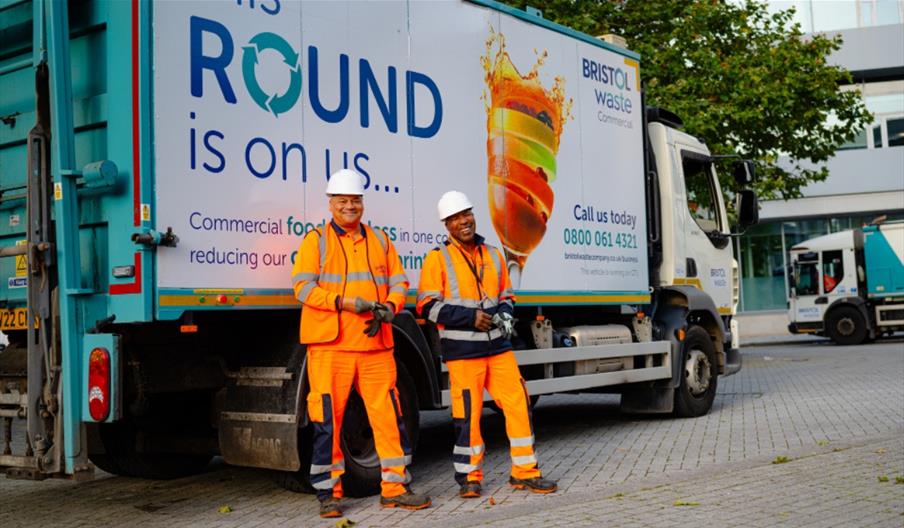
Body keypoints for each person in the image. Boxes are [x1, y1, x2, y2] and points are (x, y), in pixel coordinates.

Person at [292, 169, 431, 518]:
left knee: (389, 417)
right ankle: (329, 494)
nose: (350, 206)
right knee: (328, 422)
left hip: (375, 346)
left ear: (362, 203)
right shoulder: (316, 241)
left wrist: (390, 307)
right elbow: (302, 287)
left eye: (355, 200)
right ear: (331, 204)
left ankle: (395, 487)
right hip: (331, 347)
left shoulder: (380, 240)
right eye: (343, 201)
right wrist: (343, 302)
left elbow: (400, 282)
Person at [416, 190, 557, 499]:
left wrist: (505, 312)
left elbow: (507, 293)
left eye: (465, 214)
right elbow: (426, 305)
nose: (462, 221)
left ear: (472, 215)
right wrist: (470, 318)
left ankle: (525, 472)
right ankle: (469, 477)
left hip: (498, 347)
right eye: (454, 219)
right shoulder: (437, 259)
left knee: (519, 404)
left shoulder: (493, 254)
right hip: (464, 352)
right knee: (468, 415)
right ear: (446, 225)